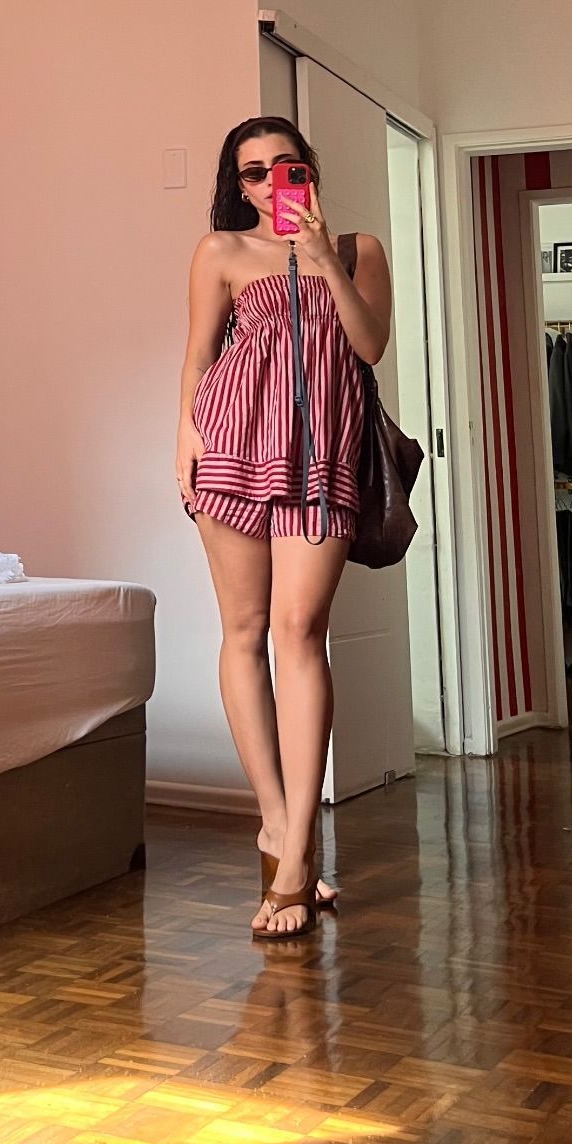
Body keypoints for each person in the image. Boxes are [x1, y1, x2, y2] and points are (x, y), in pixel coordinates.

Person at [176, 117, 392, 940]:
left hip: (319, 459)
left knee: (300, 630)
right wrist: (185, 436)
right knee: (245, 630)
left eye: (285, 166)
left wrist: (324, 255)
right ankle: (276, 826)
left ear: (309, 170)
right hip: (231, 447)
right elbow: (200, 357)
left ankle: (298, 848)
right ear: (237, 186)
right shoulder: (221, 252)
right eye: (253, 172)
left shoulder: (360, 250)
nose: (270, 184)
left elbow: (368, 348)